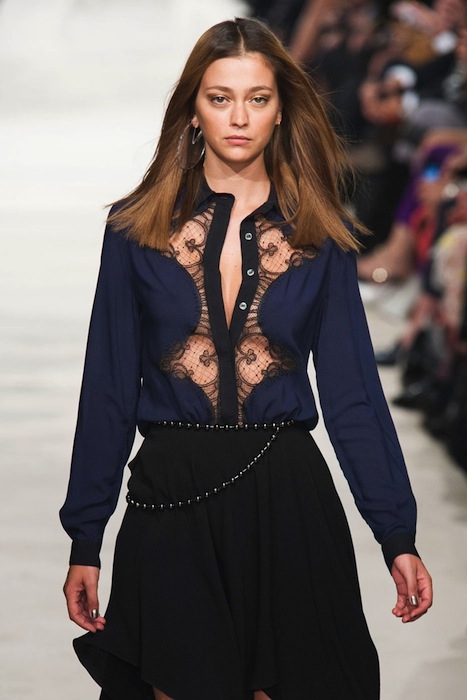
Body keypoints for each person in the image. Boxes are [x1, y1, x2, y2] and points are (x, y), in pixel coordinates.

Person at [60, 17, 432, 700]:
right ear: (192, 110)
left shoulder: (319, 235)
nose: (238, 117)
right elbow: (107, 389)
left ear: (280, 109)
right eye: (220, 98)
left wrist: (395, 533)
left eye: (257, 99)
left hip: (286, 498)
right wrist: (86, 536)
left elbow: (351, 391)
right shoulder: (134, 231)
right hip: (171, 498)